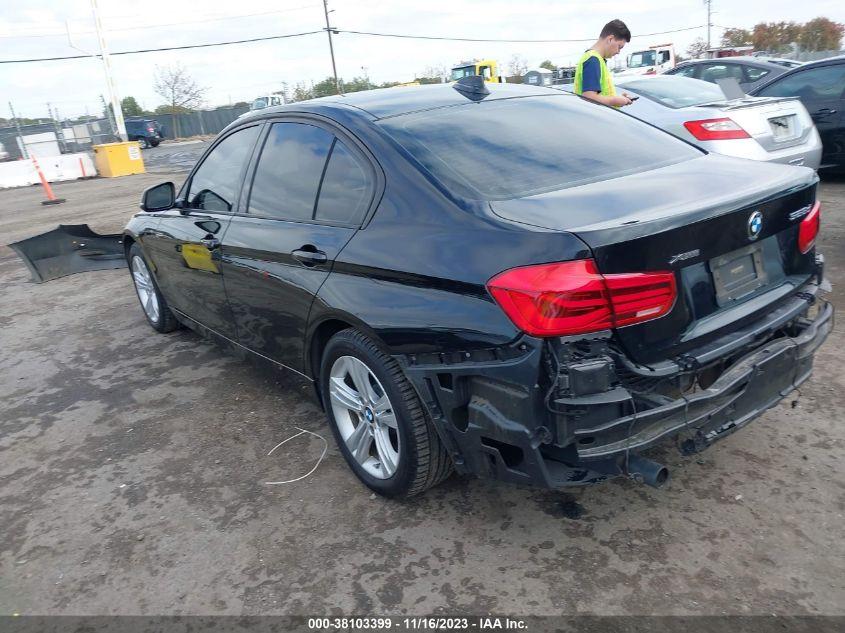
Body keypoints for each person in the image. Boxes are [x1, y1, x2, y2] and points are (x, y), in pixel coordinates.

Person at [574, 19, 634, 107]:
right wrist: (615, 100)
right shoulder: (593, 60)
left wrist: (619, 99)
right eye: (619, 47)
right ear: (610, 39)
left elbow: (599, 95)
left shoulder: (596, 59)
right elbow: (589, 97)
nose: (618, 52)